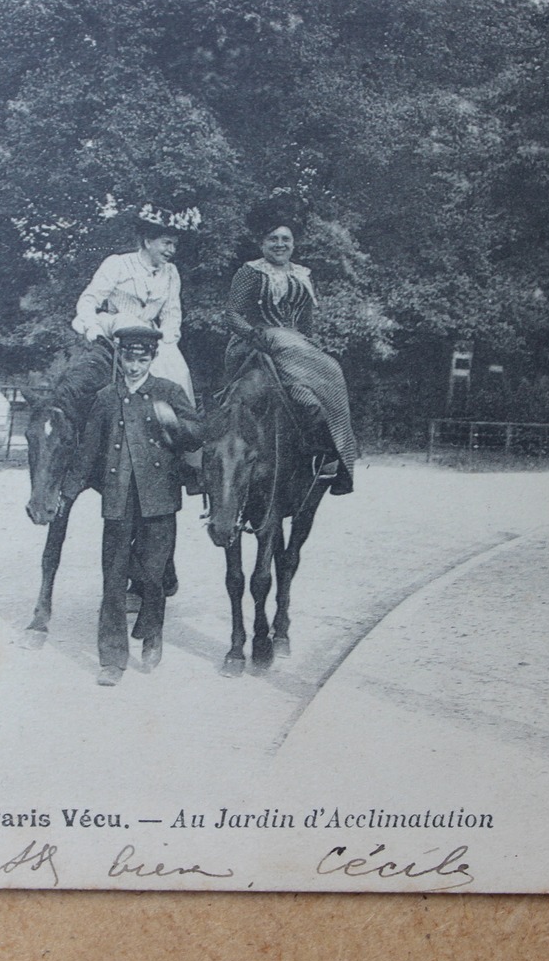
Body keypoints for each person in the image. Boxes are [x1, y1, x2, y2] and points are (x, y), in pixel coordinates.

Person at [62, 325, 204, 686]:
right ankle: (111, 659)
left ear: (151, 359)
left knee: (153, 577)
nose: (134, 366)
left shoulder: (168, 391)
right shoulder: (107, 397)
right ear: (120, 358)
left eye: (142, 359)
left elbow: (197, 432)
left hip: (158, 499)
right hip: (118, 499)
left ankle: (153, 634)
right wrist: (68, 490)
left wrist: (173, 421)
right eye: (128, 358)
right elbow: (89, 449)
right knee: (112, 579)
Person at [223, 198, 358, 495]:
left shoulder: (302, 274)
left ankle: (330, 454)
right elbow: (231, 313)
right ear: (262, 244)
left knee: (331, 371)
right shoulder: (251, 272)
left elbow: (305, 321)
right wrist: (252, 333)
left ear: (294, 244)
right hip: (256, 342)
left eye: (286, 239)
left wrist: (312, 349)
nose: (280, 244)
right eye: (273, 239)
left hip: (296, 345)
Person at [72, 204, 199, 406]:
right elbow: (89, 299)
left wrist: (167, 340)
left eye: (174, 245)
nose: (171, 250)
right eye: (166, 243)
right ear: (148, 241)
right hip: (115, 326)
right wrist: (92, 327)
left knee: (177, 369)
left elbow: (171, 313)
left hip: (150, 333)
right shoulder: (117, 264)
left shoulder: (171, 272)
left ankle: (179, 423)